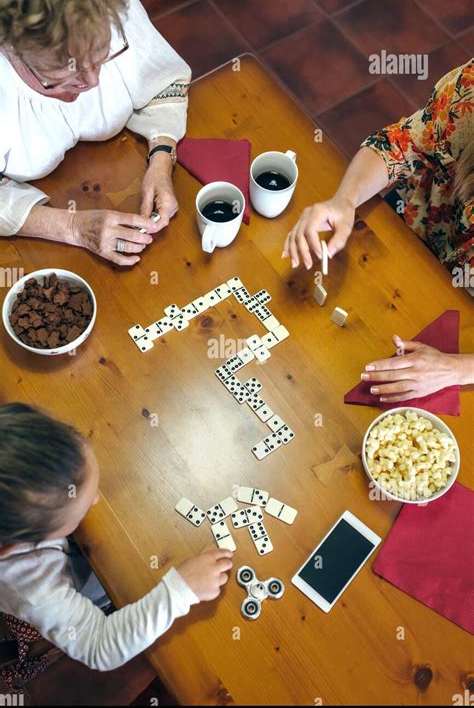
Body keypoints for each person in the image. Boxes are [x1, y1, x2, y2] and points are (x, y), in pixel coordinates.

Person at [283, 60, 473, 402]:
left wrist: (457, 369)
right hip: (412, 245)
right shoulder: (468, 92)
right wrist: (345, 199)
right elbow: (400, 144)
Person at [0, 403, 233, 671]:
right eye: (82, 508)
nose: (97, 500)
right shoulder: (33, 588)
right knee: (122, 581)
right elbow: (99, 646)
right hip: (32, 613)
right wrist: (180, 592)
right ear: (16, 545)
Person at [0, 0, 192, 266]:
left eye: (101, 53)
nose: (92, 81)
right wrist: (72, 226)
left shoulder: (103, 5)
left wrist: (161, 159)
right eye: (65, 68)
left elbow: (159, 80)